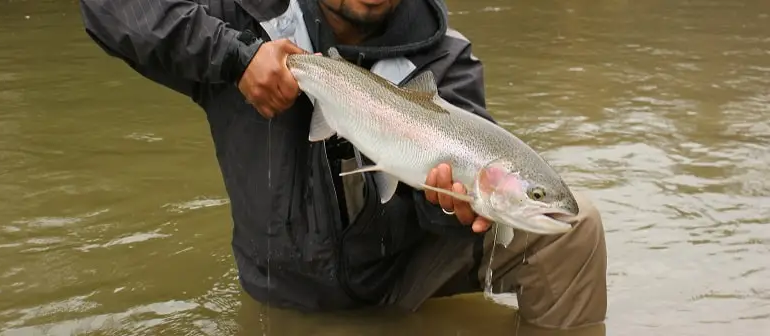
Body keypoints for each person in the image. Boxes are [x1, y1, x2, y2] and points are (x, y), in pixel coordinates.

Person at [78, 0, 608, 329]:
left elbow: (451, 213)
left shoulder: (446, 59)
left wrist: (447, 207)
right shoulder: (244, 23)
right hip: (287, 295)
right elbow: (110, 8)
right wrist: (235, 58)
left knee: (573, 225)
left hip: (402, 275)